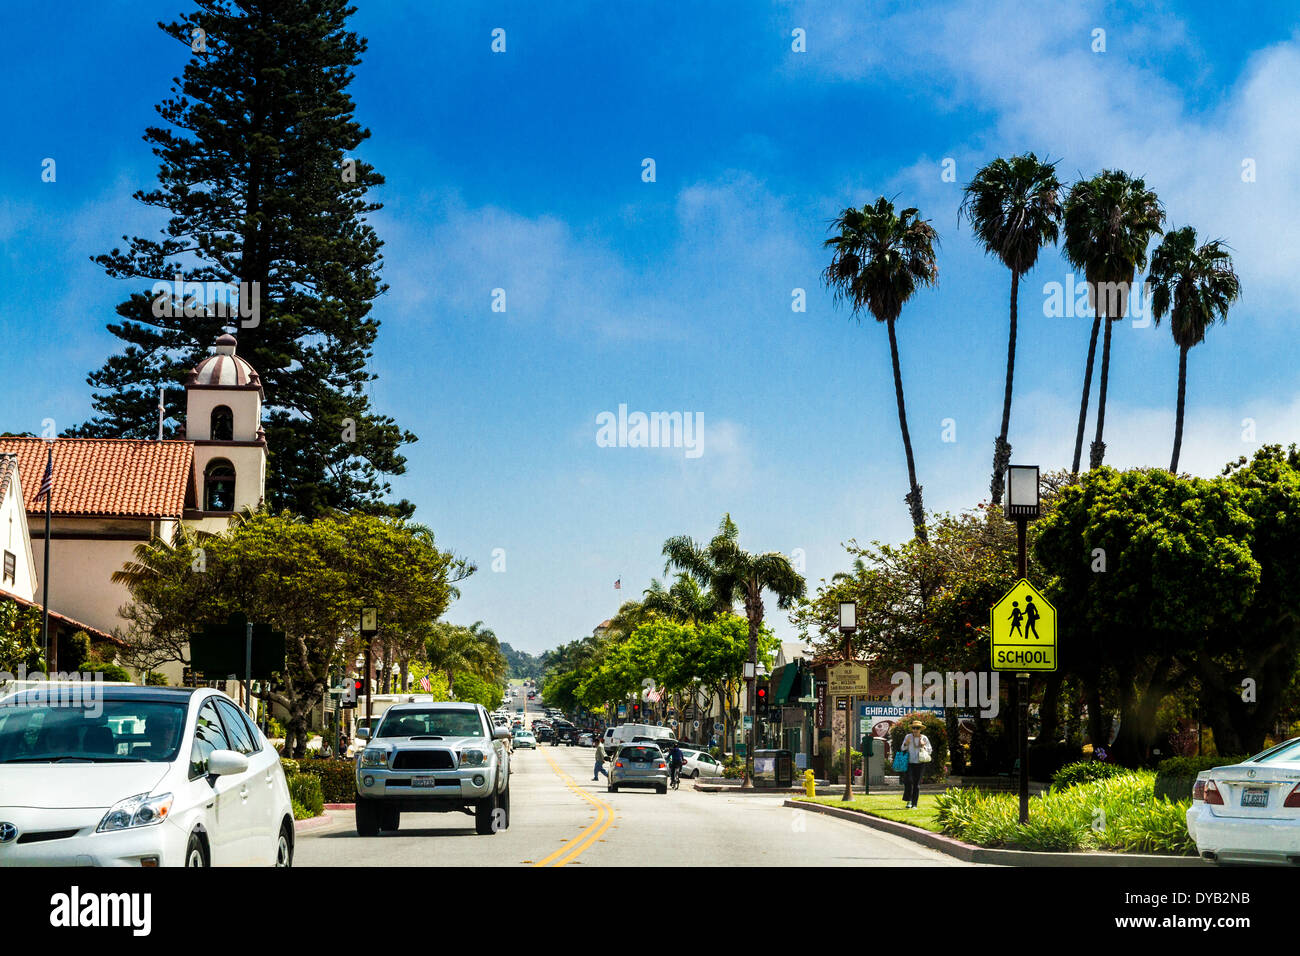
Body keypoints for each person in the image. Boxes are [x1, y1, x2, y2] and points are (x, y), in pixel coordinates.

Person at [898, 720, 931, 809]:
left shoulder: (924, 738)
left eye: (917, 728)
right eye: (914, 728)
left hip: (920, 763)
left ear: (920, 729)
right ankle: (909, 800)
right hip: (909, 763)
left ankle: (914, 804)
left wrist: (923, 745)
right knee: (908, 781)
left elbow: (930, 751)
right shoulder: (908, 736)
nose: (915, 730)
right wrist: (906, 743)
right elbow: (902, 748)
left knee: (917, 784)